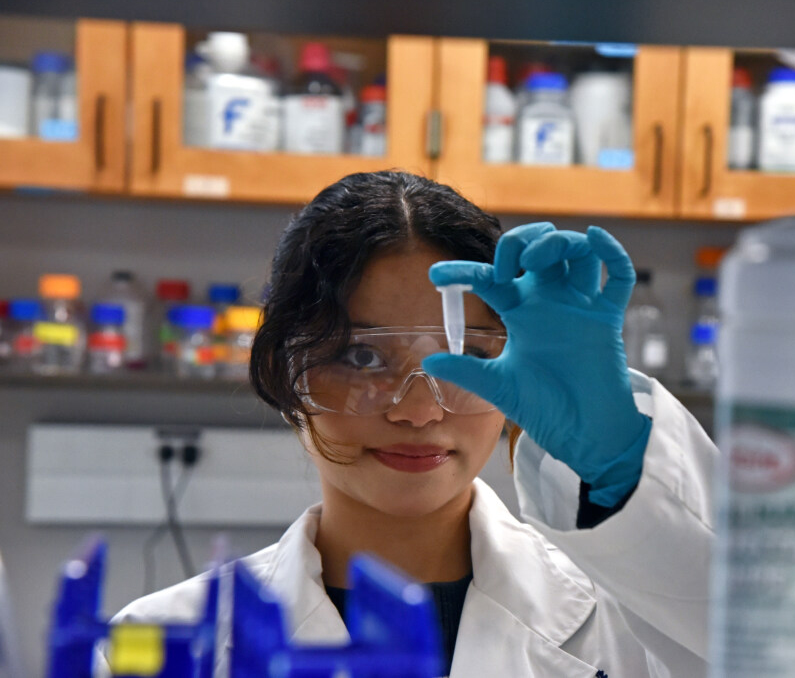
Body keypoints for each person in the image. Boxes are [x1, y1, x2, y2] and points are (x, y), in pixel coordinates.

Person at [104, 170, 717, 677]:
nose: (420, 410)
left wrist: (618, 454)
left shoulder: (642, 636)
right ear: (287, 373)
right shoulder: (156, 647)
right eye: (362, 357)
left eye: (467, 360)